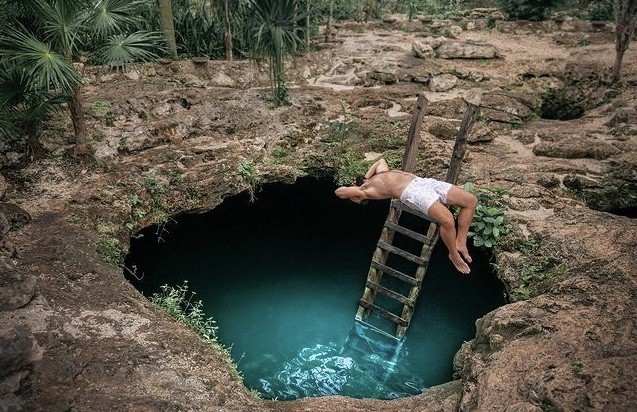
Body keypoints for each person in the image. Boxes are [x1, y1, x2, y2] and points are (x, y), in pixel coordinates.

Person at [335, 158, 478, 274]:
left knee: (470, 201)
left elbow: (381, 161)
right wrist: (355, 192)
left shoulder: (379, 174)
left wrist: (366, 176)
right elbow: (339, 192)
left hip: (422, 182)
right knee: (447, 220)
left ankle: (460, 241)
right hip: (411, 192)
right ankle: (453, 253)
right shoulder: (366, 191)